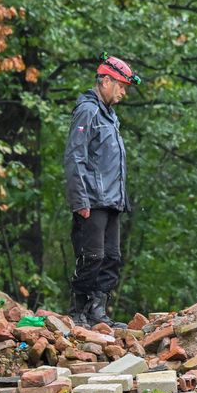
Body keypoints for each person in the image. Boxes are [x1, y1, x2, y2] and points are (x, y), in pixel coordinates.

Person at [63, 55, 141, 329]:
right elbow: (75, 157)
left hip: (112, 200)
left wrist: (121, 199)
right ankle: (78, 313)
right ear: (105, 81)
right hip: (92, 200)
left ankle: (98, 313)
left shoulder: (110, 115)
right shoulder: (88, 110)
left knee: (111, 259)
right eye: (121, 86)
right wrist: (79, 199)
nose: (123, 93)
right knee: (91, 257)